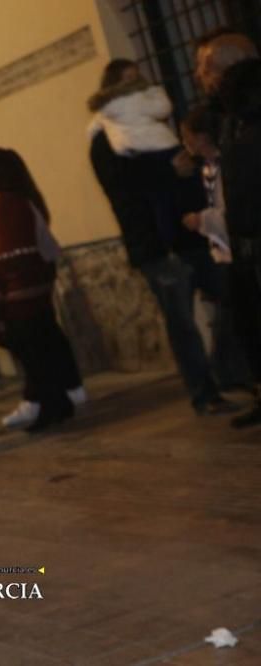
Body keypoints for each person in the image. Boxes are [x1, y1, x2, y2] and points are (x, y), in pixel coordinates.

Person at [89, 60, 238, 417]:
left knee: (229, 298)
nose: (138, 84)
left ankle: (228, 373)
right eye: (128, 81)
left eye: (140, 77)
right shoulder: (105, 136)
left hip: (191, 235)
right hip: (156, 245)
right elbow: (123, 193)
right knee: (183, 323)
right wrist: (167, 173)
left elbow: (180, 181)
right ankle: (204, 393)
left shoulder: (157, 129)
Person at [0, 149, 85, 431]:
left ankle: (50, 405)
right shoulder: (27, 202)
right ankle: (58, 401)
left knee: (32, 352)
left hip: (16, 292)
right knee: (42, 344)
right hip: (37, 286)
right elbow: (46, 245)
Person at [195, 30, 261, 428]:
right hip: (242, 241)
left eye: (205, 68)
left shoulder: (246, 113)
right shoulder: (224, 115)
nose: (199, 76)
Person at [179, 105, 254, 391]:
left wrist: (202, 220)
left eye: (188, 136)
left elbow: (230, 210)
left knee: (233, 324)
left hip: (234, 252)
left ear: (202, 137)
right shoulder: (206, 169)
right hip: (221, 252)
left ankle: (240, 380)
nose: (184, 141)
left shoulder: (225, 166)